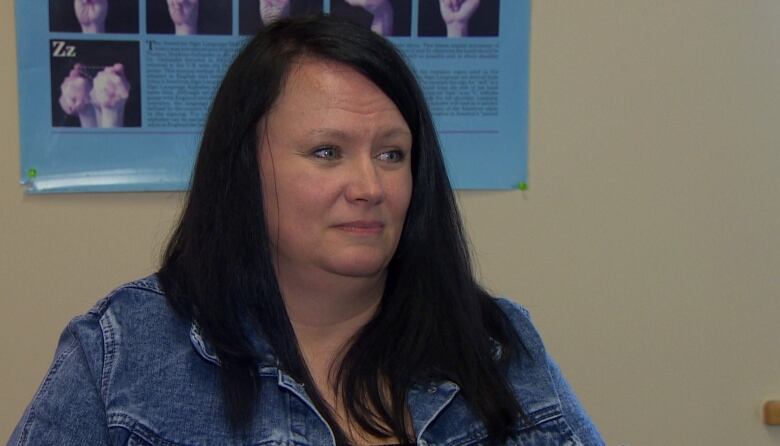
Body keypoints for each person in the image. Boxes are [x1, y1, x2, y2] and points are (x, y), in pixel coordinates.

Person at [9, 15, 603, 445]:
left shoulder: (495, 343)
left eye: (392, 154)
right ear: (244, 166)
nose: (370, 186)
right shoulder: (122, 353)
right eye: (326, 152)